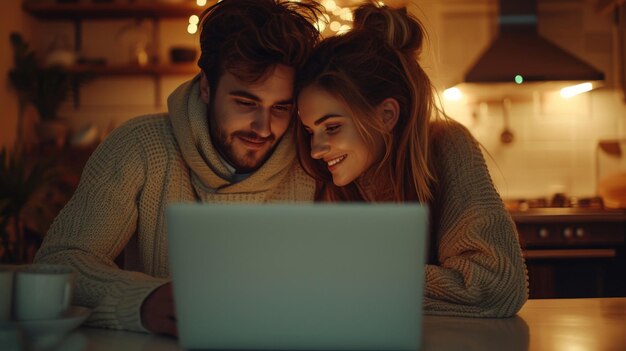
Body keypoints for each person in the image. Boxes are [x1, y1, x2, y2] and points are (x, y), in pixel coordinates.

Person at [34, 0, 323, 336]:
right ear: (206, 87)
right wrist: (142, 300)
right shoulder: (139, 146)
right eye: (246, 103)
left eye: (281, 108)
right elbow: (58, 263)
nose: (263, 127)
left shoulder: (313, 160)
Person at [296, 3, 528, 317]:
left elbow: (494, 284)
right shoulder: (324, 179)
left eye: (333, 127)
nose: (316, 149)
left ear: (386, 116)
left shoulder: (446, 145)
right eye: (310, 131)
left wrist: (356, 282)